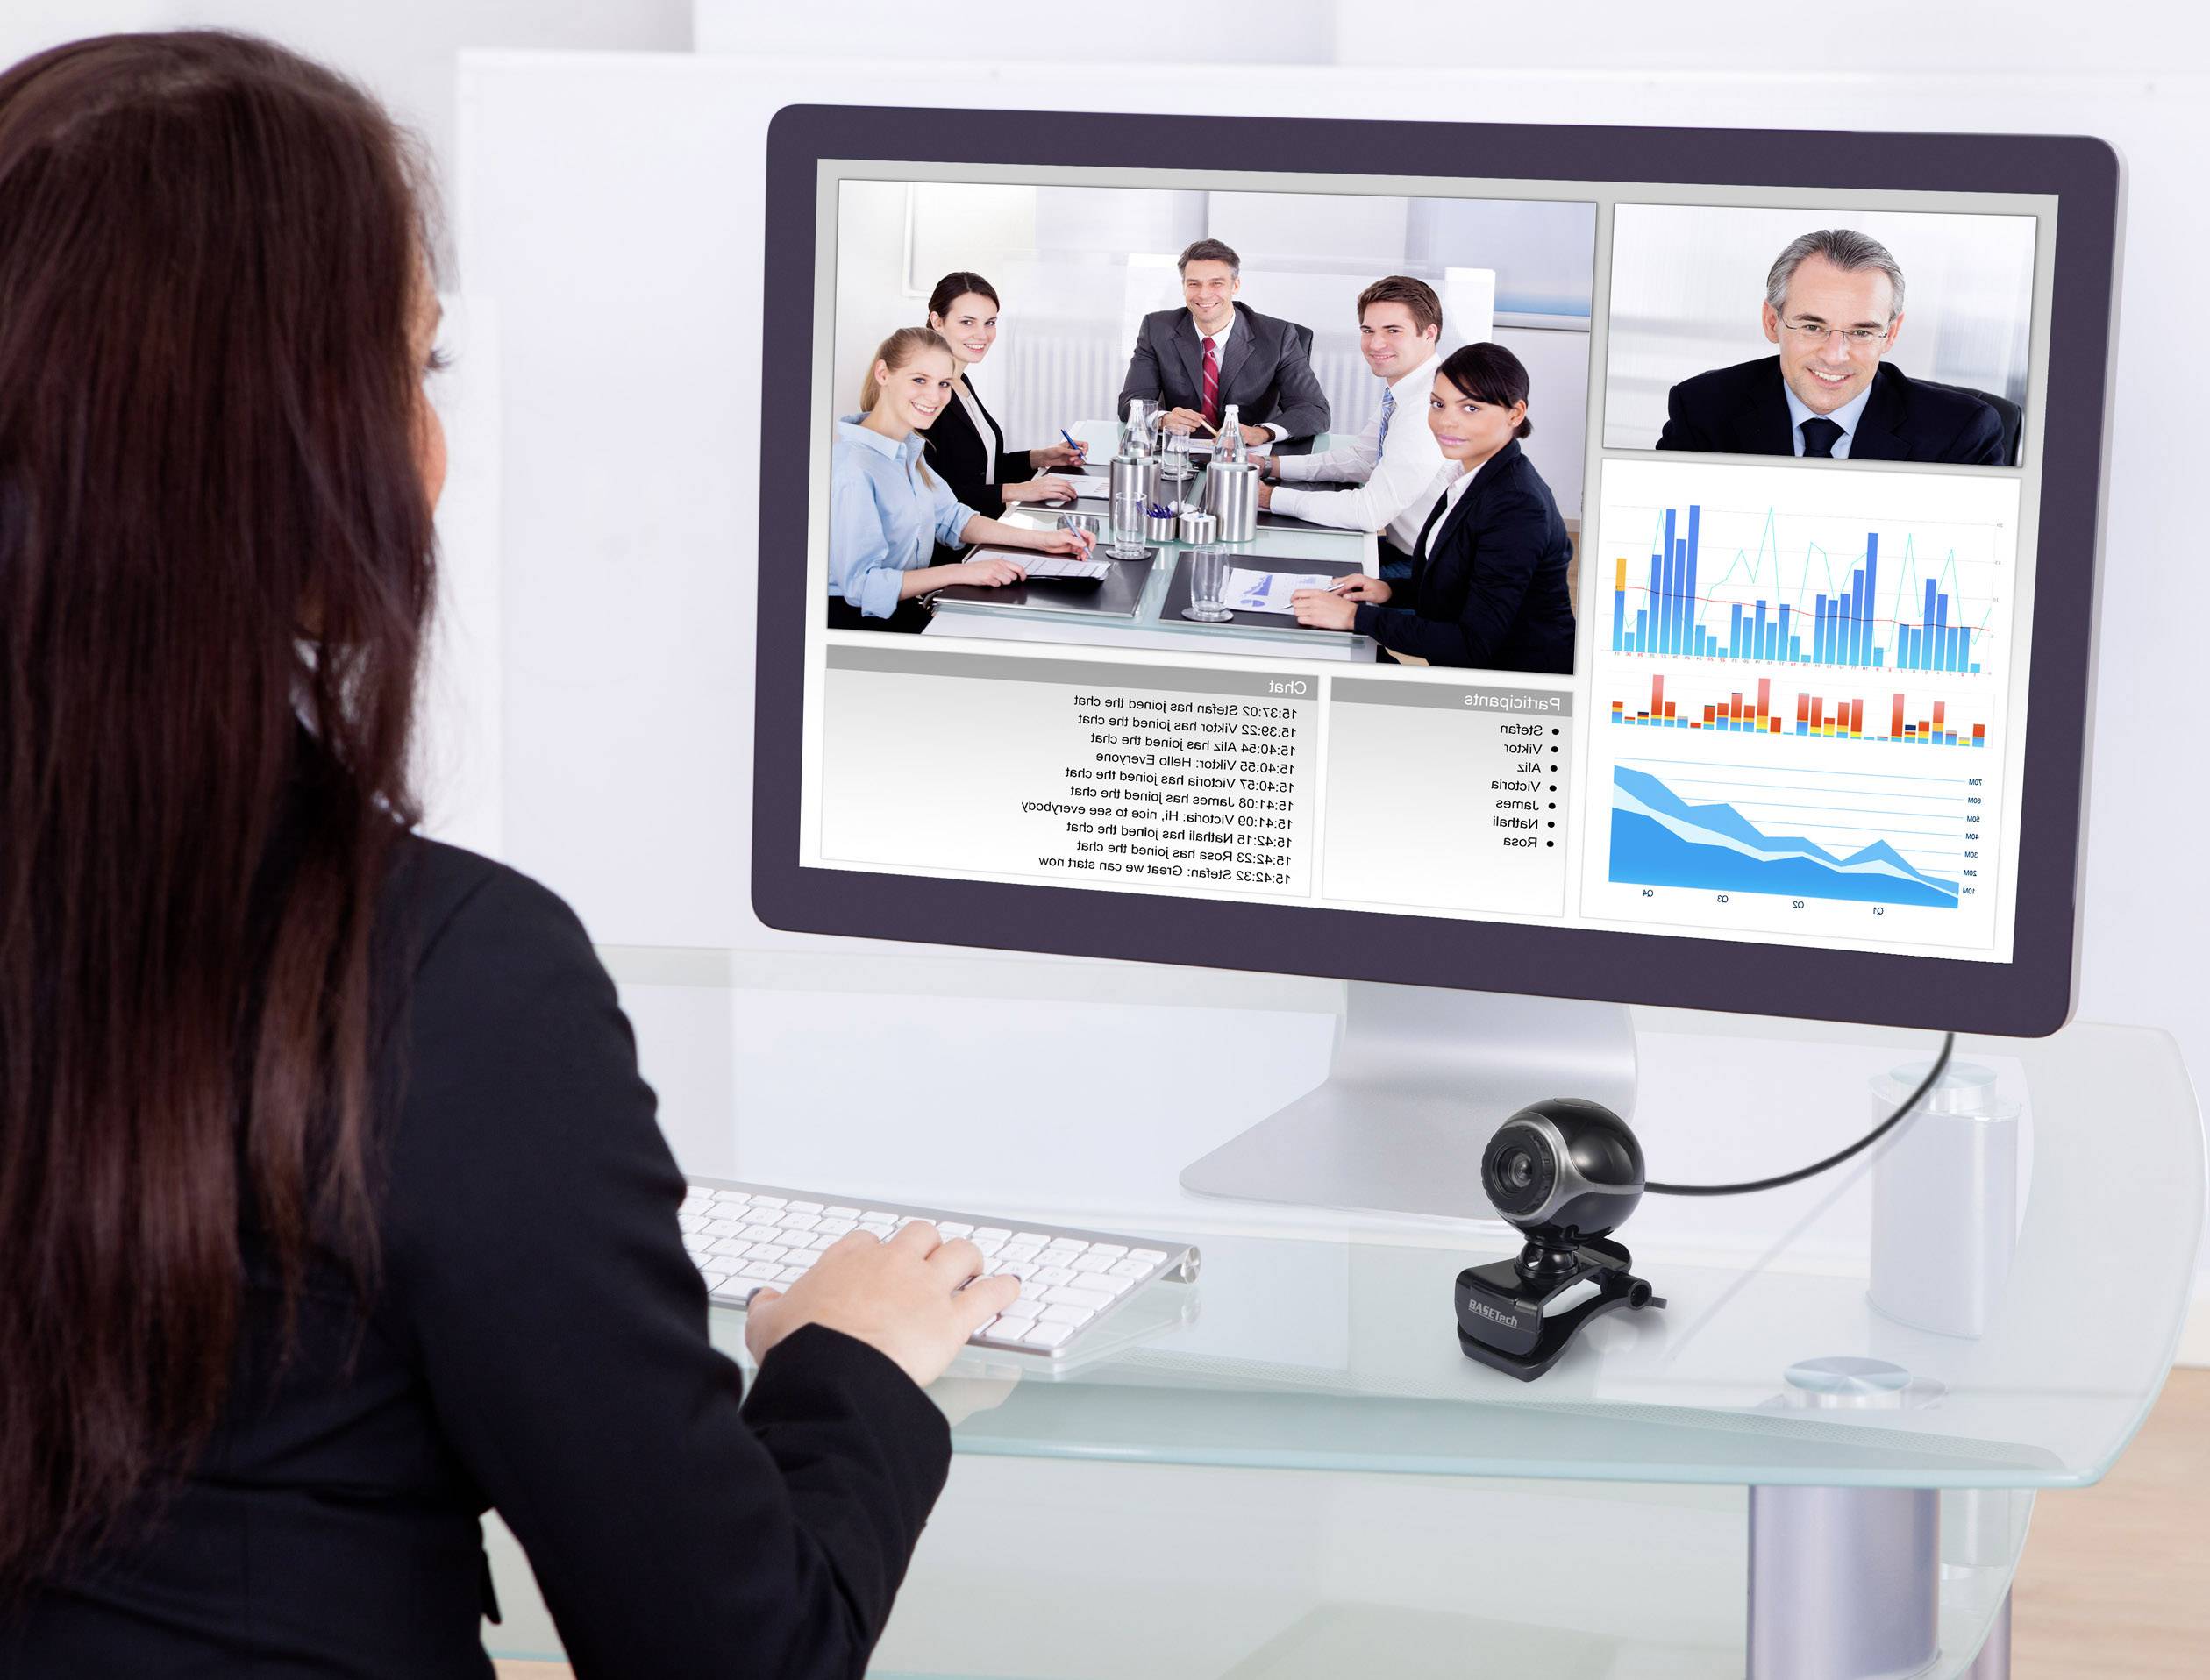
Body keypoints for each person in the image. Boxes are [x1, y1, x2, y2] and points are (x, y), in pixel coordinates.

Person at [0, 32, 1021, 1677]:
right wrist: (851, 1365)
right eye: (417, 369)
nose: (433, 445)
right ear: (293, 450)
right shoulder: (438, 984)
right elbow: (735, 1656)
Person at [1293, 342, 1576, 674]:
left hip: (1515, 683)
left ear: (1515, 414)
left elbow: (1473, 644)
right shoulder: (1468, 475)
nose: (1446, 422)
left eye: (1470, 408)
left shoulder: (1518, 506)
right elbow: (1457, 585)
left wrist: (1355, 617)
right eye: (1438, 404)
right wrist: (1389, 591)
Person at [1655, 228, 2006, 464]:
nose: (1835, 356)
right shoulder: (1702, 409)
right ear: (1772, 322)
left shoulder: (1961, 433)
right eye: (1812, 327)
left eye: (1861, 332)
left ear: (1891, 333)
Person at [831, 325, 1094, 631]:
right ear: (883, 374)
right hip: (858, 624)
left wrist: (1045, 541)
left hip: (905, 607)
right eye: (919, 380)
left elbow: (953, 518)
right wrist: (962, 571)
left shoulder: (908, 448)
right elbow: (863, 586)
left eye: (943, 383)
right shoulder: (853, 468)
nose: (934, 396)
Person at [1256, 275, 1449, 582]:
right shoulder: (1408, 388)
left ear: (1429, 333)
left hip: (1426, 571)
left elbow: (1369, 512)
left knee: (1281, 575)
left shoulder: (1429, 405)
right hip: (1404, 550)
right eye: (1368, 330)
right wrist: (1269, 465)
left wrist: (1269, 498)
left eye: (1393, 331)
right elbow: (1362, 459)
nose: (1375, 344)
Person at [919, 272, 1089, 559]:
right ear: (937, 321)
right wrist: (1018, 490)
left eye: (990, 323)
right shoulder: (926, 395)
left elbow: (981, 468)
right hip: (951, 550)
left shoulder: (960, 381)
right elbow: (936, 496)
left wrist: (1041, 457)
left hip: (986, 533)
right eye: (967, 322)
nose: (982, 335)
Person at [1114, 238, 1330, 447]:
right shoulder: (1157, 329)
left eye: (1216, 283)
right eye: (1194, 284)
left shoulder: (1278, 336)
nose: (1204, 294)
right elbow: (1131, 403)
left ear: (1235, 286)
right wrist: (1163, 419)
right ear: (1184, 286)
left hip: (1249, 456)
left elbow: (1314, 410)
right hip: (1179, 454)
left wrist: (1261, 433)